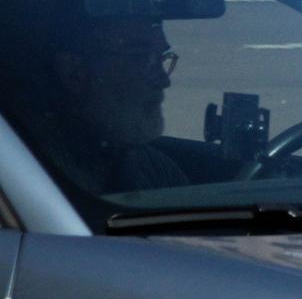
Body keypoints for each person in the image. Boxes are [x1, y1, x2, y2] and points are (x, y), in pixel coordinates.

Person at [29, 17, 188, 195]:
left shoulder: (156, 169)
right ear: (75, 72)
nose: (163, 81)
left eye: (161, 59)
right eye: (140, 58)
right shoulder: (29, 174)